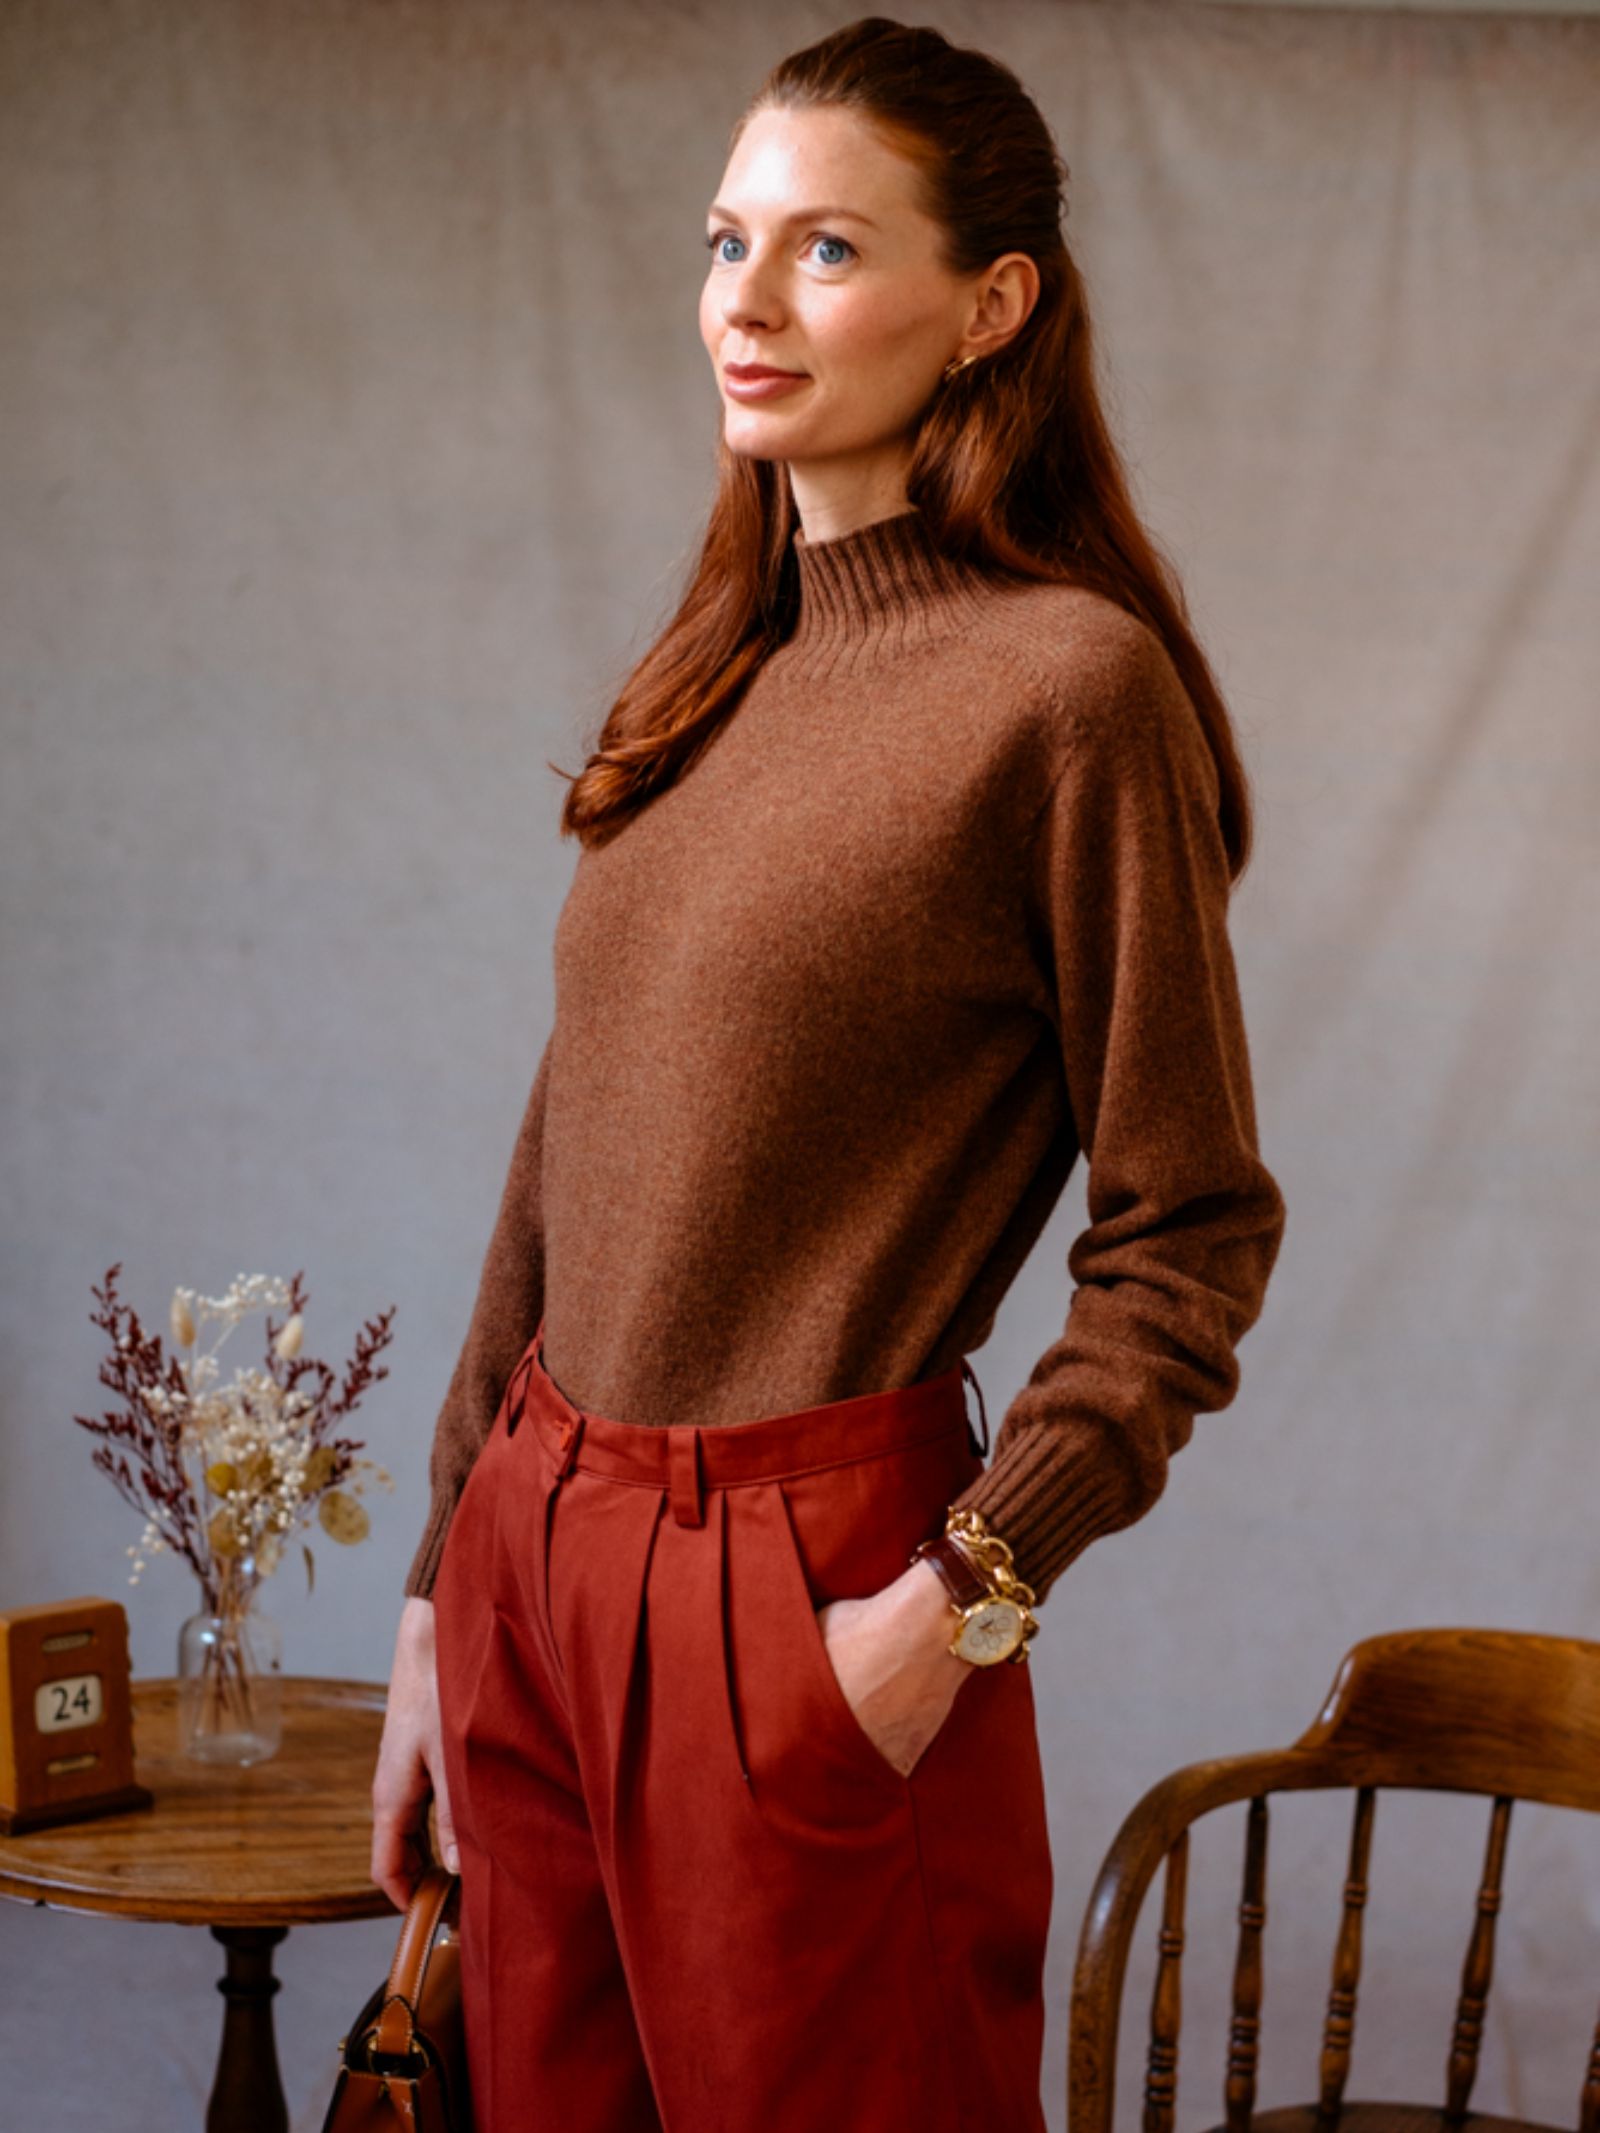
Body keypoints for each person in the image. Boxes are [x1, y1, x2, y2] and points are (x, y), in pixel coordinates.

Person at [370, 16, 1287, 2129]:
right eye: (724, 241)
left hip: (806, 1582)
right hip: (535, 1537)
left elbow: (1189, 1228)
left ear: (989, 306)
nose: (749, 304)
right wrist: (444, 1589)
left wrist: (957, 1598)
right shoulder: (709, 667)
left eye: (825, 249)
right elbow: (557, 1150)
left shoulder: (1068, 690)